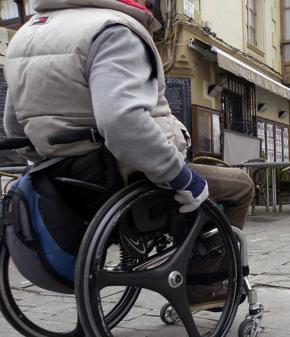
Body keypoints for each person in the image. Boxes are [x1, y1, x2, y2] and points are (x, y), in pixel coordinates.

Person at [3, 0, 254, 229]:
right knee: (241, 186)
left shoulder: (24, 37)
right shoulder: (113, 30)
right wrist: (180, 177)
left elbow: (15, 128)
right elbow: (122, 121)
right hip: (127, 176)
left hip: (66, 181)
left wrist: (55, 162)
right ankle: (208, 278)